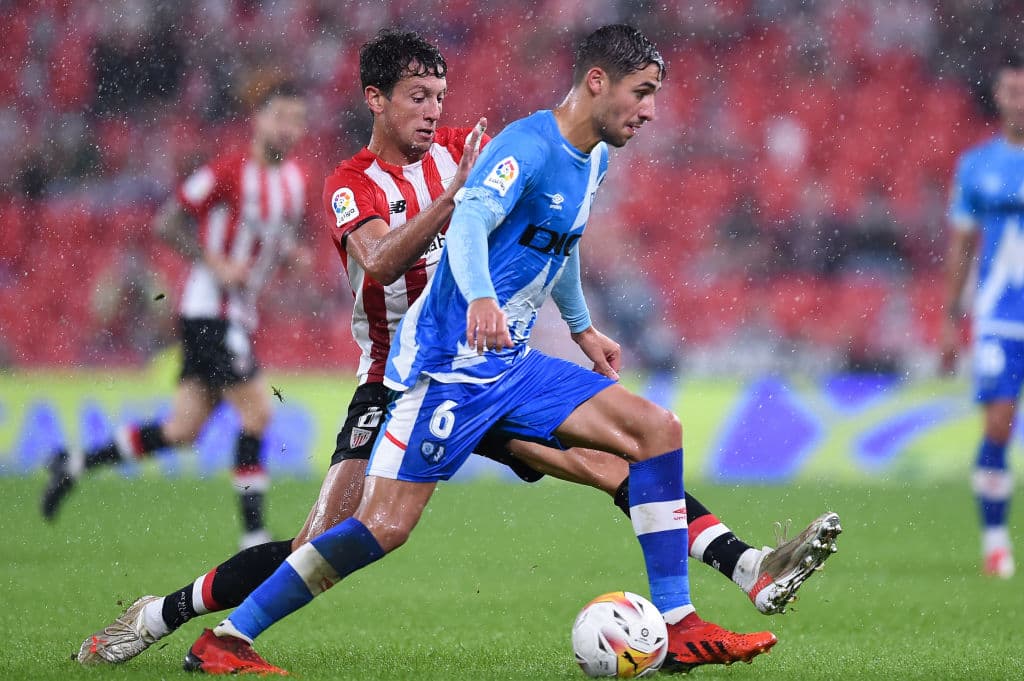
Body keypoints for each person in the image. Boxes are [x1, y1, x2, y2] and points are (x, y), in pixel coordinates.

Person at [74, 29, 840, 672]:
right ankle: (172, 615)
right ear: (375, 99)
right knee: (333, 538)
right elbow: (382, 261)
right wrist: (459, 211)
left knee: (627, 454)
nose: (433, 111)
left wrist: (577, 325)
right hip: (403, 375)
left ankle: (731, 580)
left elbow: (549, 222)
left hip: (496, 363)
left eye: (439, 96)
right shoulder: (354, 182)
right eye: (417, 97)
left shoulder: (468, 151)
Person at [41, 80, 312, 550]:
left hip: (237, 314)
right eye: (280, 117)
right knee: (258, 411)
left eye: (297, 120)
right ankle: (253, 535)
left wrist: (290, 254)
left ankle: (75, 462)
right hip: (210, 312)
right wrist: (215, 262)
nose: (288, 128)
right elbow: (167, 221)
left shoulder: (294, 183)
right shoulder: (228, 170)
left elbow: (271, 235)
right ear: (259, 120)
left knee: (181, 430)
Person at [942, 53, 1024, 579]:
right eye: (1012, 91)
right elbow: (961, 246)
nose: (1020, 101)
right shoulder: (976, 165)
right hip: (999, 316)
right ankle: (996, 541)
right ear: (998, 97)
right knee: (998, 422)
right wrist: (951, 319)